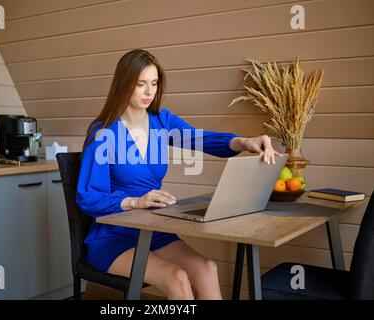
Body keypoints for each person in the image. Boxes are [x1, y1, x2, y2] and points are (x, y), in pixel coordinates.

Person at [76, 49, 280, 300]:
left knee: (207, 268)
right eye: (141, 84)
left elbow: (202, 139)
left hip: (153, 229)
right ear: (124, 84)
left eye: (153, 83)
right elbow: (88, 197)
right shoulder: (103, 132)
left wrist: (244, 142)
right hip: (113, 236)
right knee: (177, 277)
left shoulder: (161, 121)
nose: (149, 92)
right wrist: (136, 202)